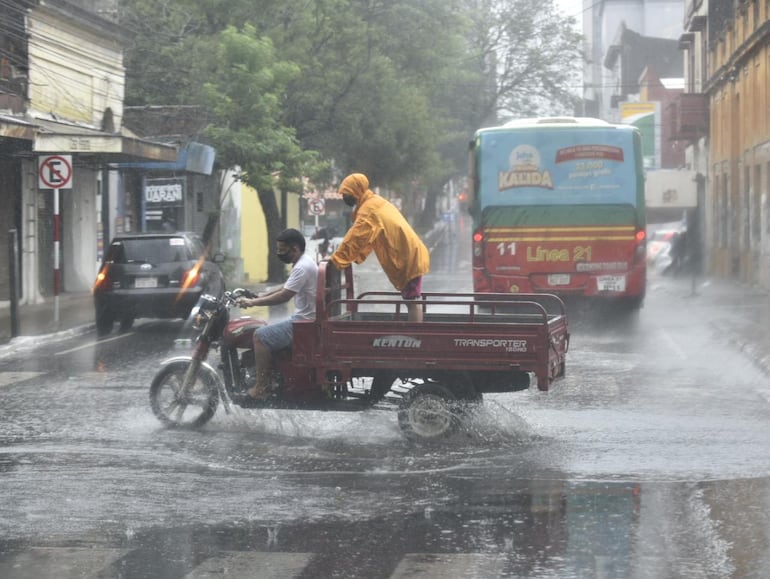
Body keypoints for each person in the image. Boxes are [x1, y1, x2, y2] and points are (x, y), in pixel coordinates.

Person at [330, 173, 429, 322]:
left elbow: (355, 237)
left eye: (347, 193)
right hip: (410, 253)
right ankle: (415, 333)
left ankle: (415, 336)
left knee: (413, 300)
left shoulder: (369, 209)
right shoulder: (373, 203)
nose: (344, 197)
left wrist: (338, 259)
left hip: (409, 256)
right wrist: (355, 256)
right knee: (412, 299)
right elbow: (368, 238)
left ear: (356, 191)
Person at [236, 228, 317, 401]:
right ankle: (272, 376)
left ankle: (261, 388)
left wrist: (252, 303)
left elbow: (284, 295)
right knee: (267, 329)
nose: (279, 253)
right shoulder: (304, 262)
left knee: (260, 336)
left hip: (304, 323)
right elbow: (286, 286)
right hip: (306, 319)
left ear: (294, 248)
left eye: (282, 250)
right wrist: (260, 295)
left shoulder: (302, 267)